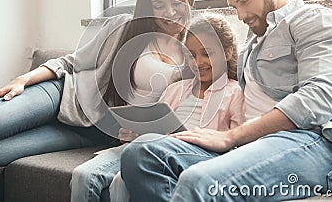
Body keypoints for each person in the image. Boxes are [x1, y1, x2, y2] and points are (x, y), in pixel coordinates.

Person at [120, 0, 332, 201]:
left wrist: (231, 136)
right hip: (250, 146)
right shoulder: (254, 38)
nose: (240, 16)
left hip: (312, 141)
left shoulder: (314, 20)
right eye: (234, 6)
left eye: (245, 1)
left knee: (199, 181)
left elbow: (320, 99)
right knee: (140, 154)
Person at [0, 0, 195, 166]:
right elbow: (71, 62)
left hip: (94, 132)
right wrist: (23, 79)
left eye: (177, 2)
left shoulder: (195, 54)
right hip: (62, 94)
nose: (170, 12)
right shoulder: (123, 28)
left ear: (189, 0)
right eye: (159, 5)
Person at [70, 12, 246, 202]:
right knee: (82, 174)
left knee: (122, 182)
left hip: (185, 155)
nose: (198, 62)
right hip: (148, 146)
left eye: (206, 54)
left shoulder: (234, 92)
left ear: (227, 52)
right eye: (191, 55)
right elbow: (156, 126)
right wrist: (134, 133)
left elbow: (238, 144)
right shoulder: (176, 88)